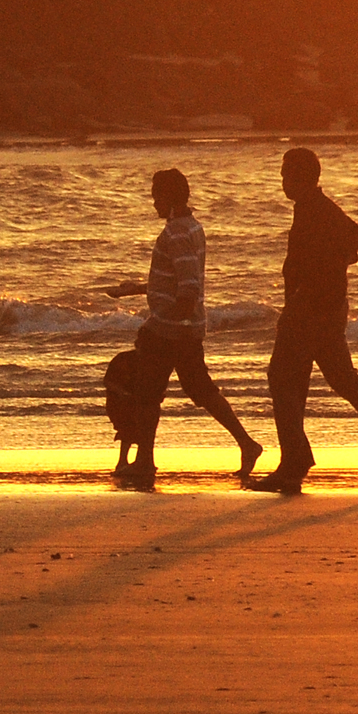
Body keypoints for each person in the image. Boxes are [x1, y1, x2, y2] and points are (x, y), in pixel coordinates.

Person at [249, 147, 358, 494]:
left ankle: (295, 460)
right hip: (325, 308)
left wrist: (317, 283)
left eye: (286, 176)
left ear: (300, 178)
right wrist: (337, 269)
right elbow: (351, 234)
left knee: (283, 378)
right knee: (342, 381)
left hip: (310, 310)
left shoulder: (314, 210)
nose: (282, 182)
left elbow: (348, 236)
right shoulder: (314, 207)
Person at [101, 167, 263, 490]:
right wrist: (135, 289)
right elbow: (178, 278)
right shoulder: (193, 227)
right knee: (202, 391)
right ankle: (246, 443)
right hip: (187, 330)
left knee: (148, 394)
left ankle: (145, 462)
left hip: (171, 331)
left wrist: (157, 326)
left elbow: (187, 288)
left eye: (156, 197)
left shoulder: (174, 233)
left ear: (168, 196)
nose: (153, 203)